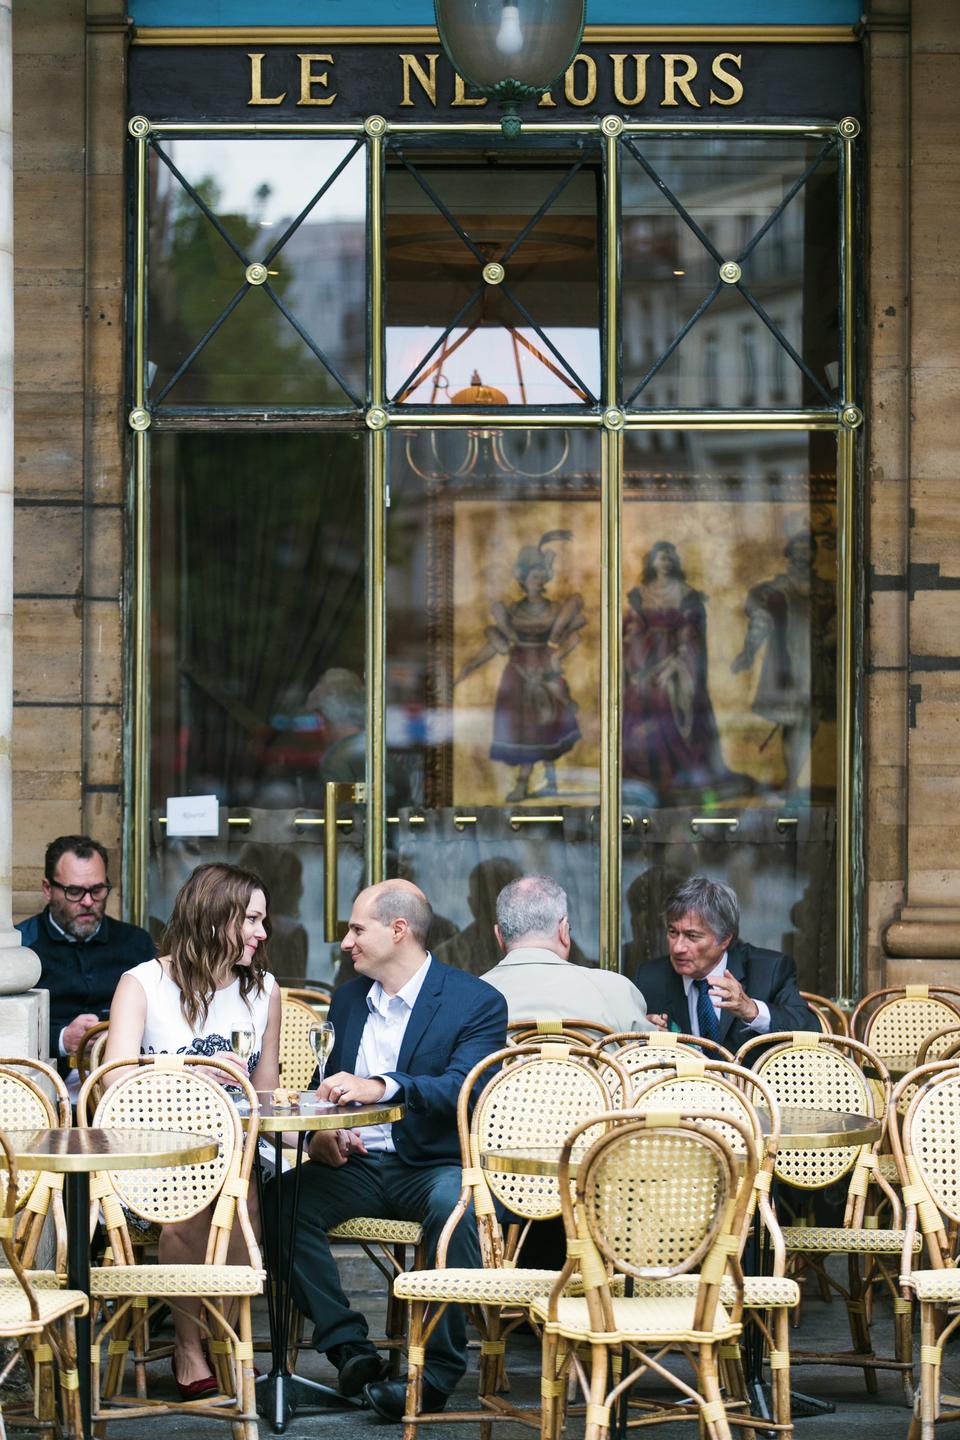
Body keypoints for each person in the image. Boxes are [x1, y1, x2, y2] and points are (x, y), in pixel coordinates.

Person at [278, 878, 507, 1420]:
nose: (346, 942)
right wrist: (321, 1135)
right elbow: (319, 1088)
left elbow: (463, 1086)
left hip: (433, 1166)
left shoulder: (475, 1001)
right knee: (281, 1199)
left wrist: (382, 1086)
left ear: (398, 930)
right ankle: (350, 1350)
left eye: (357, 929)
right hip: (360, 1164)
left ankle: (434, 1378)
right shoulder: (349, 998)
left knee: (458, 1210)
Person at [104, 862, 281, 1399]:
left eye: (263, 920)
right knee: (194, 1193)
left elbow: (265, 1095)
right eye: (251, 919)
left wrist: (311, 1134)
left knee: (242, 1186)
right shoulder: (143, 984)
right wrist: (187, 1074)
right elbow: (113, 1081)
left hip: (236, 1148)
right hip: (154, 1152)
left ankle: (220, 1337)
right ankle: (190, 1344)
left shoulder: (263, 990)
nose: (262, 933)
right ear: (213, 916)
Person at [455, 531, 584, 802]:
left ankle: (549, 780)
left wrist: (557, 657)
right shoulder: (512, 612)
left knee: (548, 725)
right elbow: (495, 644)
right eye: (532, 576)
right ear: (523, 580)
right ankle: (524, 782)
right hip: (519, 676)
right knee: (526, 731)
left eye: (540, 576)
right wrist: (471, 665)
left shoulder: (555, 609)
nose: (537, 581)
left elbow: (573, 636)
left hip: (545, 671)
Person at [633, 875, 819, 1053]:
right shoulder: (651, 977)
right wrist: (645, 1033)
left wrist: (752, 1011)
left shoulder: (769, 970)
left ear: (725, 939)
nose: (678, 947)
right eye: (673, 932)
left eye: (692, 936)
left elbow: (811, 1030)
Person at [16, 835, 155, 1068]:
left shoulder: (137, 943)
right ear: (48, 889)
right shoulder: (22, 948)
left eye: (97, 890)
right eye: (74, 891)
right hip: (44, 1080)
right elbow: (9, 1025)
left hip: (124, 1079)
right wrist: (61, 1039)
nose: (88, 901)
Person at [622, 541, 746, 803]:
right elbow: (631, 632)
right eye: (660, 557)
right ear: (651, 562)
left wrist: (673, 665)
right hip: (645, 664)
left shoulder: (686, 594)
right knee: (639, 702)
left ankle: (678, 776)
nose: (665, 562)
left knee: (670, 699)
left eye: (669, 557)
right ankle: (646, 776)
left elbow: (691, 636)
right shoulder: (639, 595)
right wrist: (639, 667)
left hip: (676, 664)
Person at [732, 530, 836, 794]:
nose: (802, 554)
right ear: (790, 554)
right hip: (786, 663)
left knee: (810, 720)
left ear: (814, 555)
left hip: (817, 662)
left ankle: (797, 779)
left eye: (807, 549)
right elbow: (760, 622)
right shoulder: (776, 589)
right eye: (797, 549)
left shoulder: (828, 589)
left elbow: (840, 624)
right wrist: (748, 652)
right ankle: (792, 780)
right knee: (791, 720)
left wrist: (829, 639)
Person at [482, 875, 654, 1033]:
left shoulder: (473, 997)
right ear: (564, 930)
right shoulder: (616, 991)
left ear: (499, 936)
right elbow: (650, 1054)